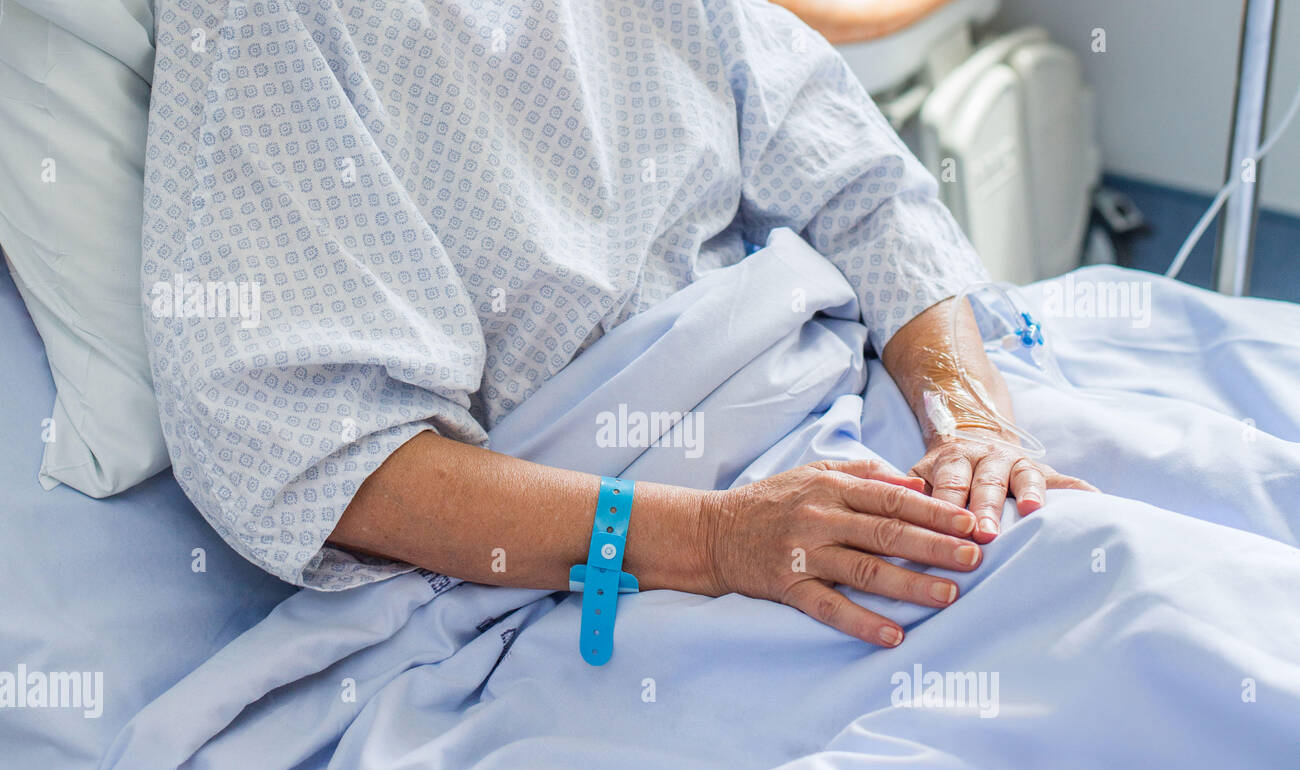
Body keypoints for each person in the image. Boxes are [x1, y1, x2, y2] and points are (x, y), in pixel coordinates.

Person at [144, 0, 1094, 649]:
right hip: (638, 538)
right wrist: (719, 540)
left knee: (1129, 542)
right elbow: (326, 458)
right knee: (1115, 608)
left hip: (850, 386)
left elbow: (857, 181)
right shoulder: (262, 26)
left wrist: (970, 417)